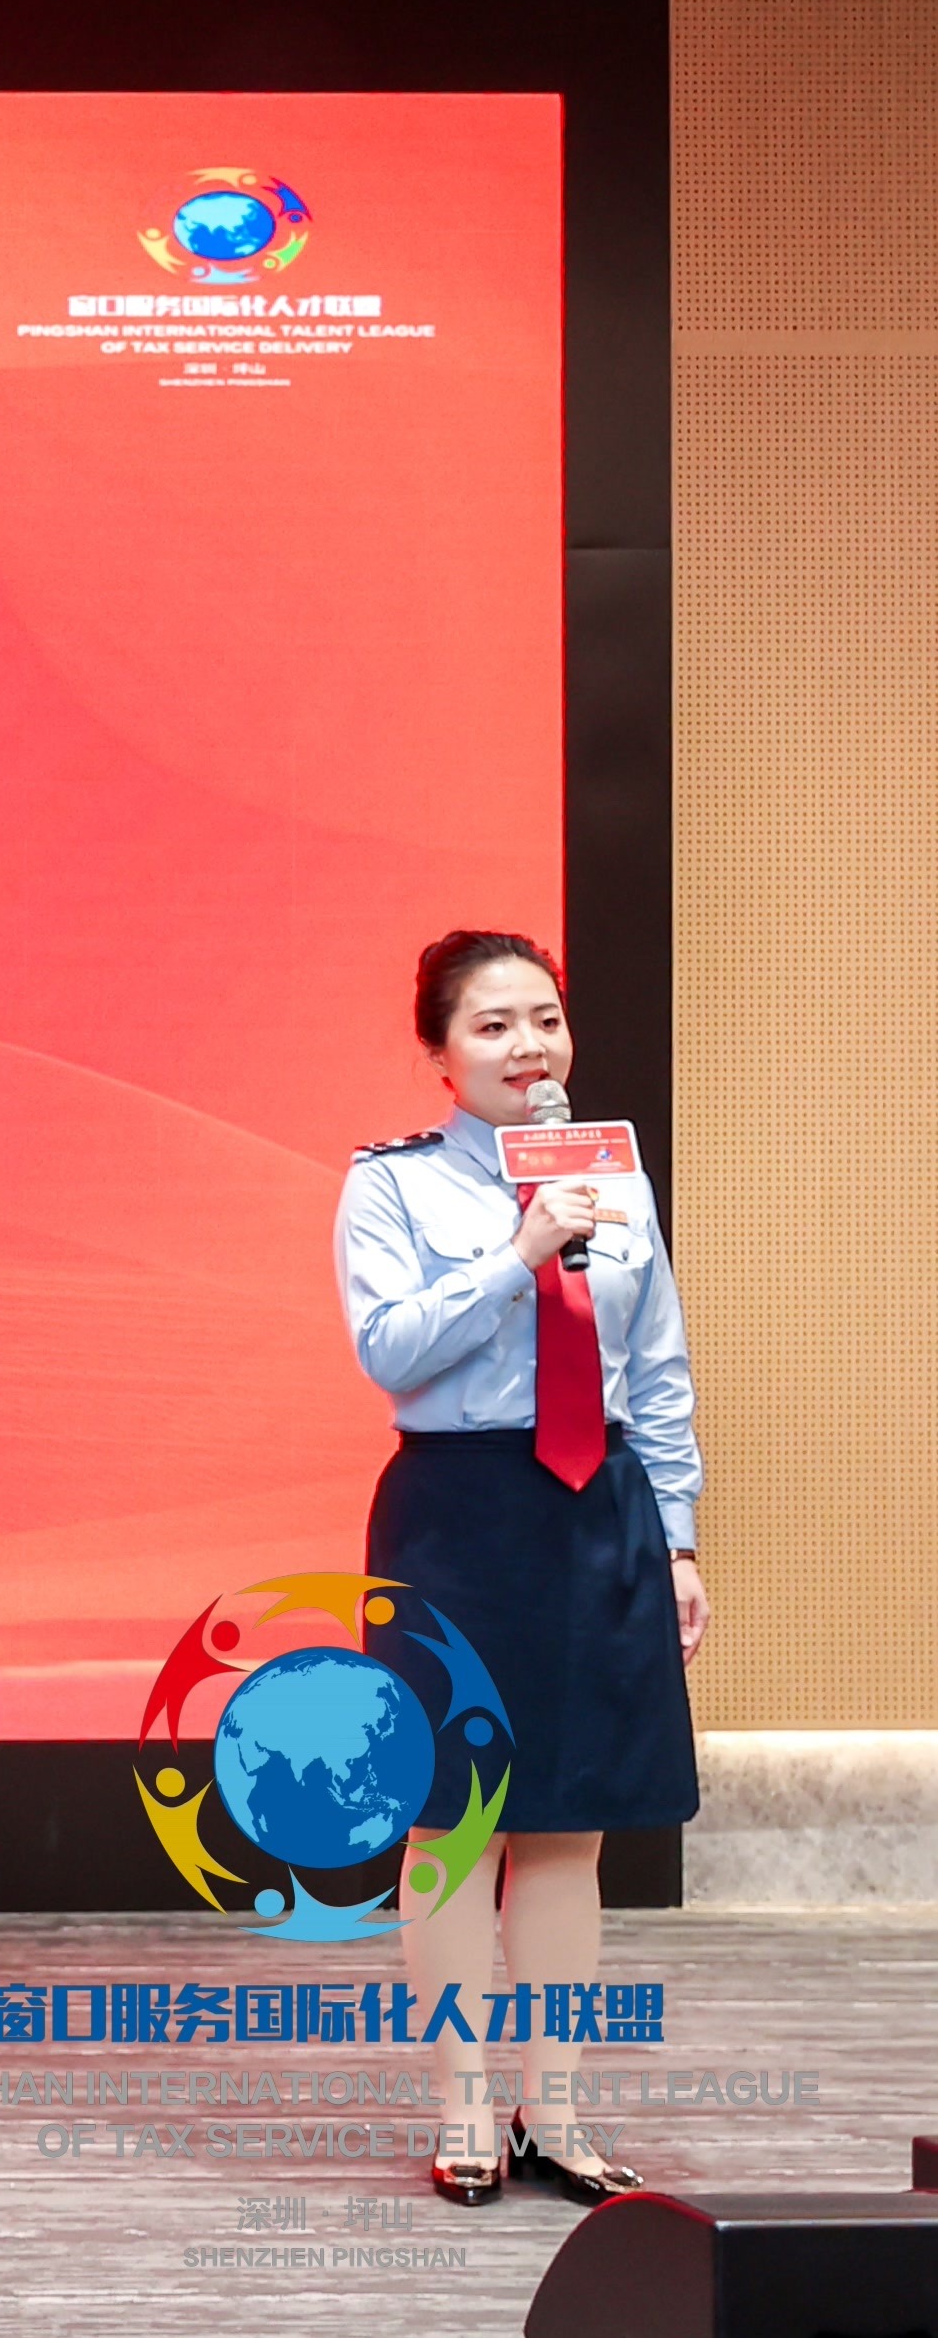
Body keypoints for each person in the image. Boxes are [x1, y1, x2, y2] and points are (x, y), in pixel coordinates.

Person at [340, 930, 703, 2207]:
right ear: (439, 1053)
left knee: (567, 1826)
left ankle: (554, 2113)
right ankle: (462, 2109)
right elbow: (389, 1349)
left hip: (598, 1507)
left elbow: (655, 1367)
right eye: (492, 1025)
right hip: (460, 1515)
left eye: (544, 1018)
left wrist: (678, 1537)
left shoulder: (615, 1174)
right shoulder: (389, 1184)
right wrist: (517, 1252)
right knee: (456, 1821)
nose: (528, 1046)